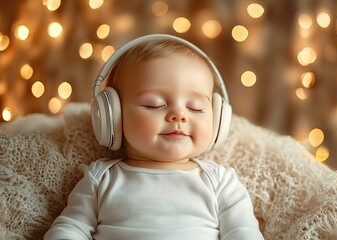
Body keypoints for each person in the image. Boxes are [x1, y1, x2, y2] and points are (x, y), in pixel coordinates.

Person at [44, 34, 264, 240]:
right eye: (154, 104)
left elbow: (243, 232)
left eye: (195, 108)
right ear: (114, 117)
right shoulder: (101, 178)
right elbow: (71, 227)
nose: (179, 115)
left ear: (218, 120)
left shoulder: (220, 182)